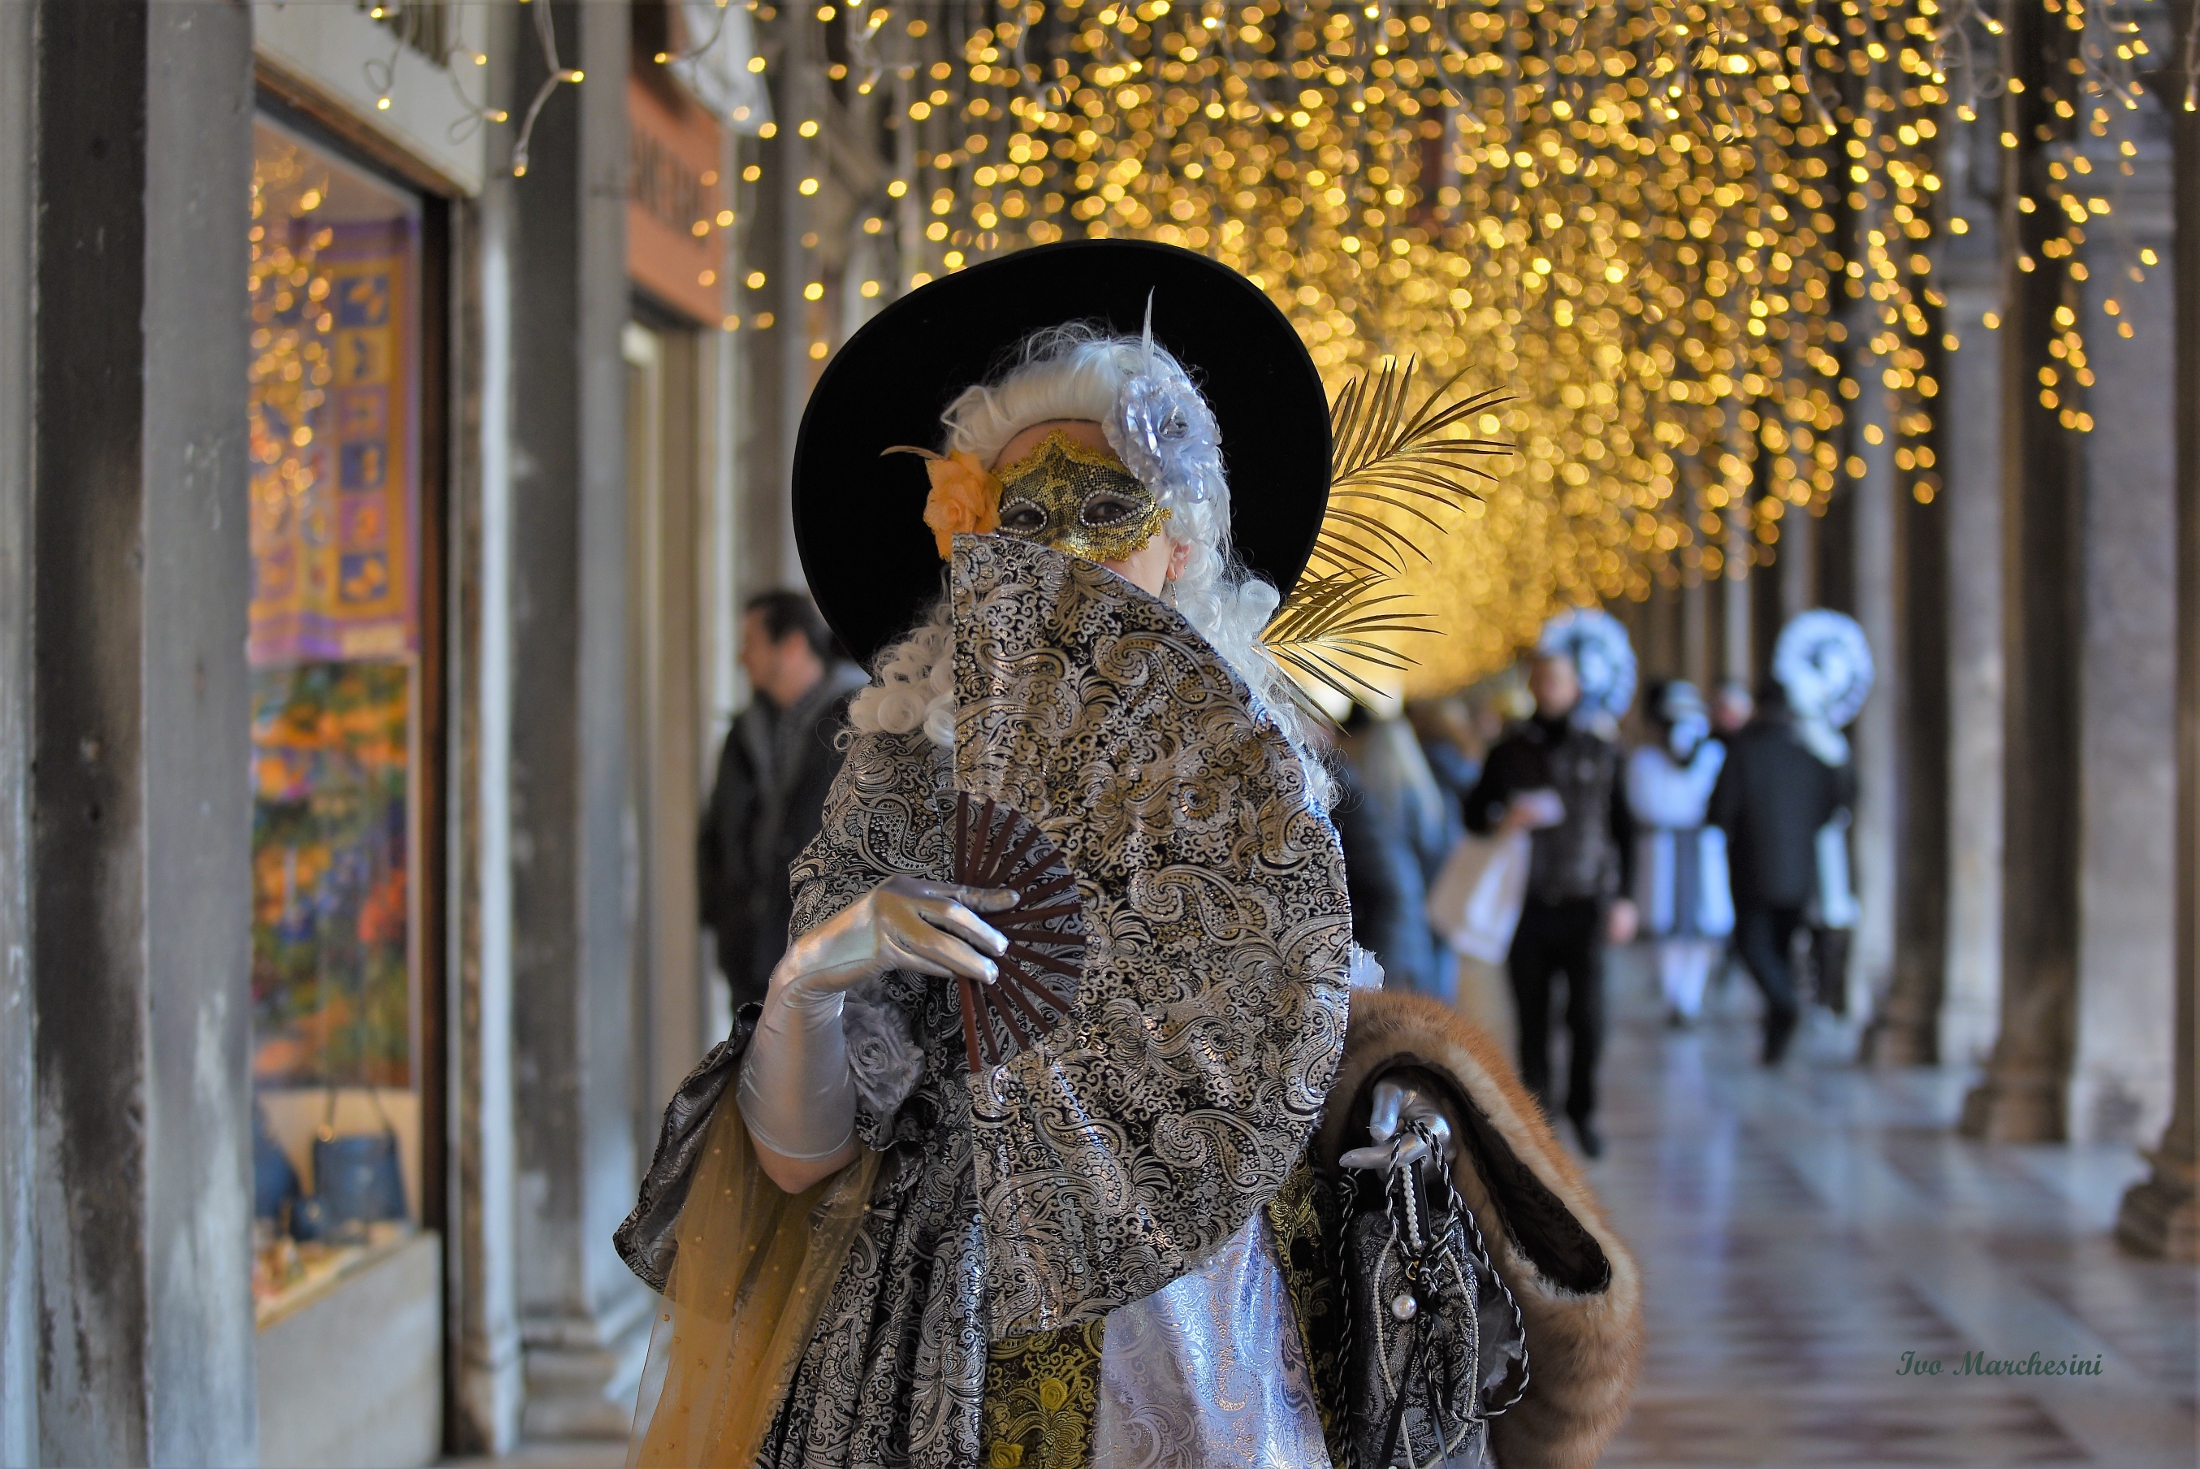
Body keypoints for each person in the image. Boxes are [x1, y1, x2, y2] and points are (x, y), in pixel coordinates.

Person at [614, 242, 1641, 1469]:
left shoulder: (1258, 762)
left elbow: (1301, 1048)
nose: (1073, 551)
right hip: (961, 1310)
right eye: (1029, 515)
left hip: (1238, 1296)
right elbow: (797, 1156)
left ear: (1181, 542)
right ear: (975, 545)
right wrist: (816, 978)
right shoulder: (906, 770)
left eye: (1111, 508)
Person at [1462, 650, 1636, 1159]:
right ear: (1532, 686)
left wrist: (1626, 899)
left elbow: (1625, 829)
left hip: (1586, 902)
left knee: (1588, 1016)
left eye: (1559, 679)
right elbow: (1473, 814)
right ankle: (1541, 1116)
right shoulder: (1510, 750)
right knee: (1532, 1017)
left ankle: (1584, 1108)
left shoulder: (1601, 751)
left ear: (1576, 686)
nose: (1550, 688)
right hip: (1528, 904)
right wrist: (1504, 816)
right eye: (1541, 679)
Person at [697, 590, 869, 1013]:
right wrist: (724, 918)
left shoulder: (859, 728)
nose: (742, 657)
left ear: (791, 645)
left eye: (750, 642)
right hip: (750, 966)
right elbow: (716, 835)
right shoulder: (744, 734)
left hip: (828, 971)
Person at [1707, 679, 1853, 1063]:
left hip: (1752, 872)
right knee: (1782, 953)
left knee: (1752, 946)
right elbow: (1836, 803)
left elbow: (1719, 811)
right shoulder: (1806, 755)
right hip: (1799, 874)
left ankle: (1784, 1004)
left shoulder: (1743, 752)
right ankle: (1775, 1043)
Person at [1625, 680, 1732, 1026]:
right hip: (1663, 850)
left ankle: (1691, 998)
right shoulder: (1645, 761)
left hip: (1703, 849)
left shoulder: (1714, 757)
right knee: (1665, 928)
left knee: (1702, 929)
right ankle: (1675, 997)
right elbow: (1641, 804)